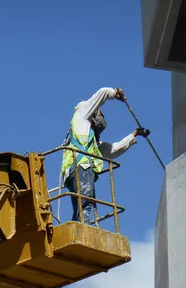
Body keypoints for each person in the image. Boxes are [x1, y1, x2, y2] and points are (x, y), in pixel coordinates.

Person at [60, 87, 149, 224]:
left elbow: (113, 150)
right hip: (81, 168)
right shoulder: (81, 117)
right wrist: (114, 93)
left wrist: (133, 135)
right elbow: (101, 93)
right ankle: (84, 229)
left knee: (81, 206)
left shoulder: (90, 142)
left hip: (74, 171)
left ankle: (78, 227)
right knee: (86, 204)